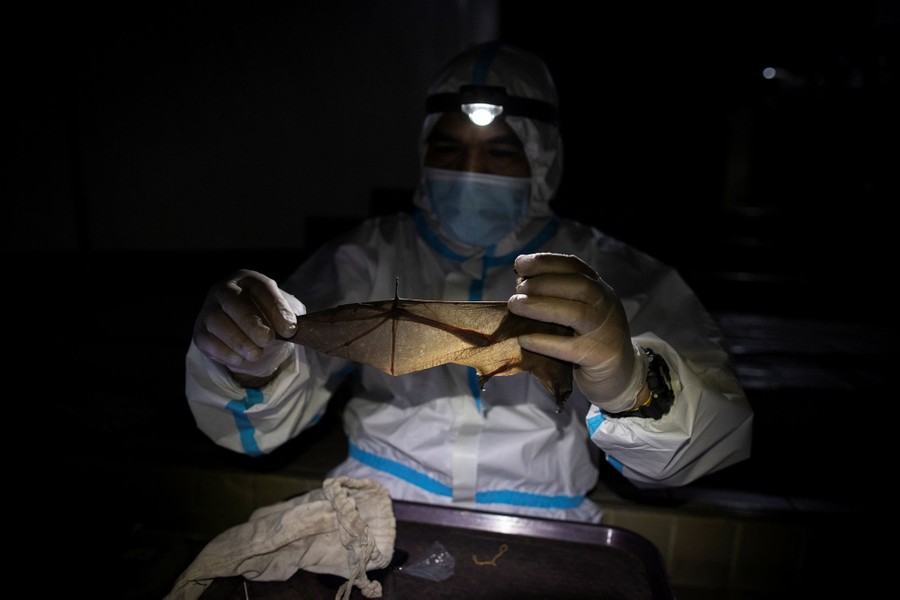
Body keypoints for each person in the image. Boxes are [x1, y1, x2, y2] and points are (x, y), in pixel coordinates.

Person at [186, 40, 753, 524]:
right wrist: (250, 362)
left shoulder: (614, 274)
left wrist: (631, 383)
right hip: (375, 504)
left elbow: (708, 445)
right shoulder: (367, 256)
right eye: (449, 149)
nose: (471, 170)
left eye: (500, 152)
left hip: (538, 517)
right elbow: (257, 430)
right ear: (423, 152)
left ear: (541, 158)